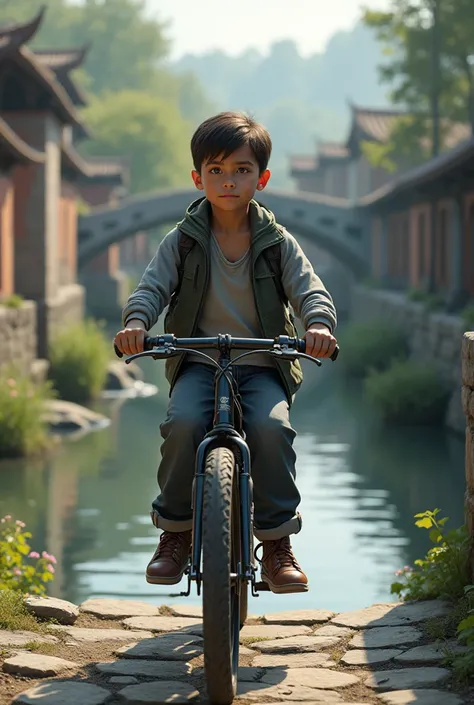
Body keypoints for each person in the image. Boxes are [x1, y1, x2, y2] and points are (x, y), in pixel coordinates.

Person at [114, 111, 337, 594]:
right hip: (199, 362)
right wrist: (136, 323)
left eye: (240, 169)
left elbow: (309, 291)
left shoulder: (277, 243)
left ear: (262, 178)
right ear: (198, 178)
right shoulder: (183, 240)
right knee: (181, 425)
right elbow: (152, 288)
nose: (228, 181)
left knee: (270, 428)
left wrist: (317, 324)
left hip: (262, 364)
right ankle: (175, 532)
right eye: (215, 170)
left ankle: (277, 543)